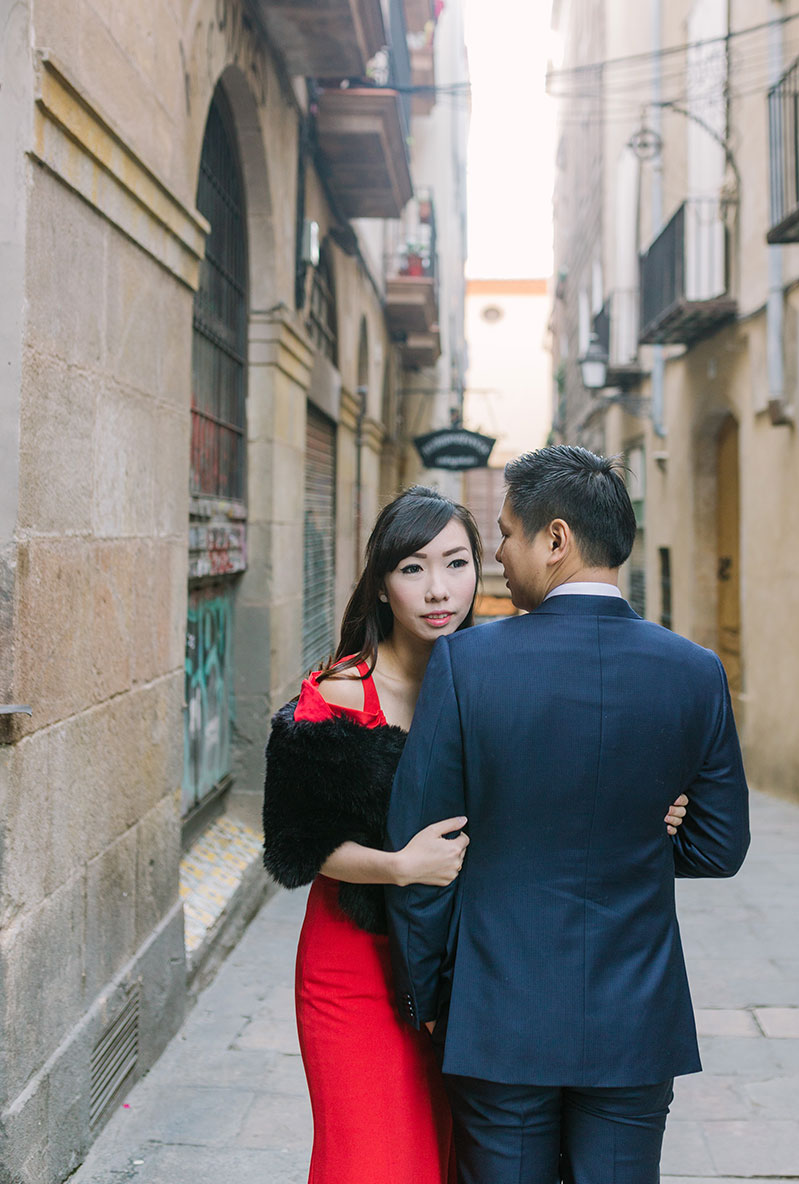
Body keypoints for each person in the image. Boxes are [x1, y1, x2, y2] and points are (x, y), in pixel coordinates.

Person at [262, 483, 689, 1184]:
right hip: (360, 968)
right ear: (379, 586)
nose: (438, 590)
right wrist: (400, 867)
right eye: (412, 568)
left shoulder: (498, 676)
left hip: (477, 973)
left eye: (456, 563)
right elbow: (294, 845)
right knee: (377, 1162)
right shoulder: (343, 692)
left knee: (457, 1162)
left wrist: (660, 810)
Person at [385, 446, 750, 1184]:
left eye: (507, 533)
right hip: (635, 1017)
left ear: (554, 540)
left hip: (497, 1010)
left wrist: (426, 992)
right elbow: (719, 847)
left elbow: (422, 843)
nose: (498, 552)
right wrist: (645, 838)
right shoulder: (695, 671)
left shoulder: (467, 664)